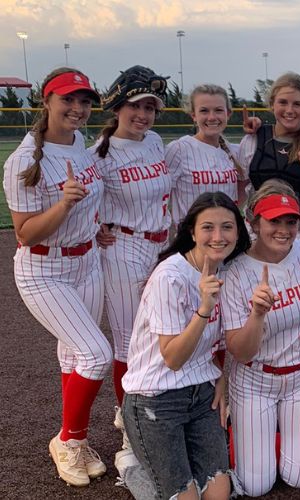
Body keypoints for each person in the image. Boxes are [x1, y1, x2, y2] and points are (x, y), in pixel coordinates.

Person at [3, 67, 110, 487]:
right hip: (44, 270)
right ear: (45, 101)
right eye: (68, 99)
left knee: (74, 357)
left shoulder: (80, 143)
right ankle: (67, 440)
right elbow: (26, 234)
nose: (78, 108)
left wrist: (93, 223)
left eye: (84, 101)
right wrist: (64, 205)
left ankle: (76, 440)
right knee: (96, 355)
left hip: (87, 261)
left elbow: (90, 199)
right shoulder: (24, 161)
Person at [121, 191, 248, 500]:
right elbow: (173, 358)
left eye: (227, 227)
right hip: (155, 398)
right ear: (192, 232)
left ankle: (165, 464)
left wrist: (220, 377)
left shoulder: (227, 270)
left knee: (218, 495)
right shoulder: (170, 277)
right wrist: (204, 308)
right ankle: (133, 468)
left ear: (238, 232)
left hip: (201, 394)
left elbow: (218, 342)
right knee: (185, 498)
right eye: (208, 227)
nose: (218, 237)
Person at [220, 180, 300, 496]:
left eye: (291, 221)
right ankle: (248, 437)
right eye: (274, 220)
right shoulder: (235, 271)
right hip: (256, 379)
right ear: (254, 223)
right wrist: (257, 315)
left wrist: (296, 331)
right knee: (255, 486)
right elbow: (240, 352)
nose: (284, 229)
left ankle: (269, 438)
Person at [91, 66, 171, 452]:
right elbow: (79, 200)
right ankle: (129, 416)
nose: (143, 114)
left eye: (150, 108)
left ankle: (147, 403)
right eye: (136, 106)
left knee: (159, 330)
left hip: (160, 245)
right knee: (128, 340)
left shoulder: (154, 141)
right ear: (117, 106)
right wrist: (95, 227)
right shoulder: (100, 153)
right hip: (123, 246)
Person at [238, 72, 300, 232]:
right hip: (254, 232)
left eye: (297, 104)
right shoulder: (253, 140)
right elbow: (238, 195)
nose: (289, 110)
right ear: (272, 104)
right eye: (283, 102)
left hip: (296, 234)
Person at [166, 84, 248, 226]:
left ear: (228, 114)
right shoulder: (178, 149)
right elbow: (158, 195)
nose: (212, 117)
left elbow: (241, 190)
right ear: (193, 115)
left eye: (218, 110)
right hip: (191, 235)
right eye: (204, 111)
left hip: (225, 234)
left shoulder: (235, 151)